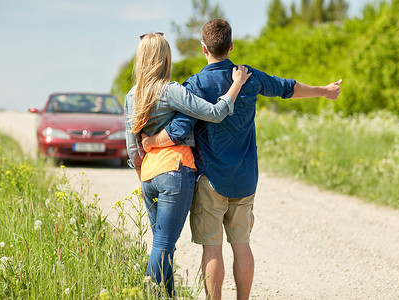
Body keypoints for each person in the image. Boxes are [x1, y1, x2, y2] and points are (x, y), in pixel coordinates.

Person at [141, 19, 342, 300]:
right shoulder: (248, 76)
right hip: (246, 179)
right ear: (231, 46)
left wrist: (151, 141)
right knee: (242, 244)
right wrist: (324, 90)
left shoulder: (195, 84)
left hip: (211, 180)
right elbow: (287, 87)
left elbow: (179, 129)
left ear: (203, 49)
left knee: (212, 248)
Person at [124, 32, 251, 298]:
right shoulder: (171, 91)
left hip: (148, 176)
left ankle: (165, 295)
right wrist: (236, 84)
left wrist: (144, 175)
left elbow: (133, 148)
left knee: (162, 243)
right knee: (164, 244)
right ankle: (151, 294)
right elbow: (215, 113)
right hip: (174, 171)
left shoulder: (131, 95)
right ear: (165, 58)